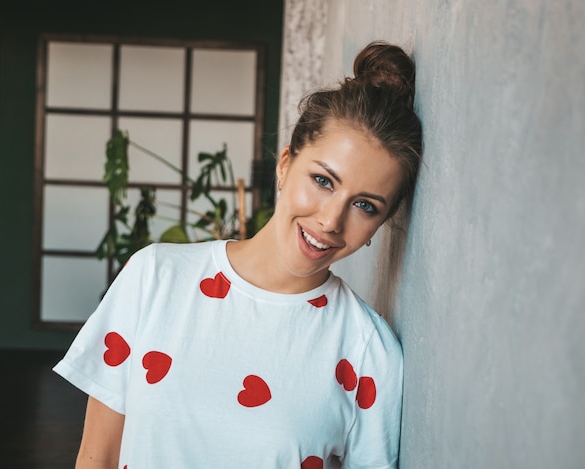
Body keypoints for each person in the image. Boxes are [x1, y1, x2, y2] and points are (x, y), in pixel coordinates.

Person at [54, 40, 423, 469]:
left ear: (382, 223)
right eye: (323, 181)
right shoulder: (154, 278)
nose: (330, 220)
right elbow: (95, 457)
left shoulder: (368, 351)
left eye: (365, 205)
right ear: (285, 164)